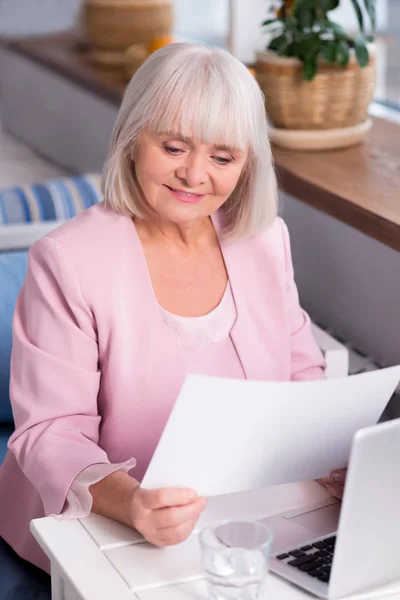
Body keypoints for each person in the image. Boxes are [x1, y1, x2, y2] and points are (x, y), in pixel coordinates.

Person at [0, 42, 338, 599]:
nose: (195, 174)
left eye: (222, 157)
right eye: (174, 146)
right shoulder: (68, 259)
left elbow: (302, 374)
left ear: (247, 163)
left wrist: (332, 458)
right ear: (134, 138)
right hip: (102, 524)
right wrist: (133, 504)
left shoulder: (264, 241)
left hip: (240, 509)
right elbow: (51, 431)